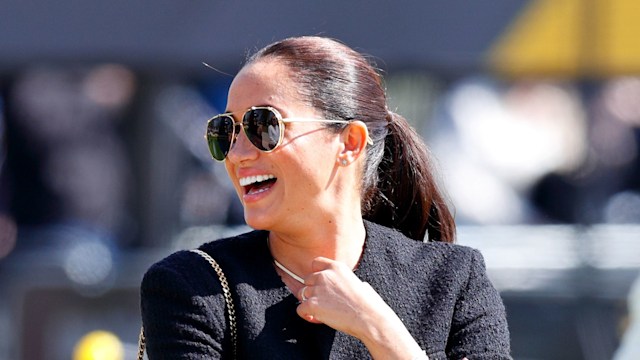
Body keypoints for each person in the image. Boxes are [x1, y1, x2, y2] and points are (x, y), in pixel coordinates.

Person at [140, 36, 511, 359]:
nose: (237, 154)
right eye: (226, 131)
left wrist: (378, 329)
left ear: (350, 143)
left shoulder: (454, 279)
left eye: (262, 126)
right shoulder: (192, 287)